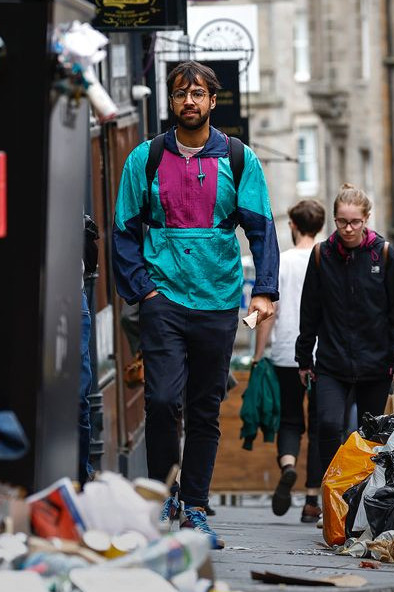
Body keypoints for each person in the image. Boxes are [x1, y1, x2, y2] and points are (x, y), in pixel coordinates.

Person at [112, 61, 279, 545]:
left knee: (205, 407)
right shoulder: (145, 159)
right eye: (182, 93)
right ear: (170, 101)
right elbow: (124, 230)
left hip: (219, 299)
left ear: (212, 101)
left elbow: (262, 228)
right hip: (162, 296)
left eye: (199, 94)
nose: (190, 101)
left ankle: (195, 508)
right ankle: (166, 495)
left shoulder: (238, 158)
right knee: (162, 400)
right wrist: (143, 289)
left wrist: (264, 288)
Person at [296, 184, 394, 489]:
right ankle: (332, 490)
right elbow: (310, 309)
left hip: (376, 363)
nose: (348, 229)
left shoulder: (385, 254)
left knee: (370, 433)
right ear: (334, 220)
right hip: (332, 362)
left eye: (355, 222)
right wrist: (303, 357)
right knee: (329, 425)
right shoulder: (322, 255)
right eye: (342, 222)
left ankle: (361, 494)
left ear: (366, 219)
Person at [254, 199, 325, 523]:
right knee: (321, 426)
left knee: (291, 420)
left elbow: (267, 313)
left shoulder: (280, 262)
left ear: (292, 226)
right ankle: (312, 498)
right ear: (321, 227)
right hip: (323, 354)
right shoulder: (327, 259)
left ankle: (288, 466)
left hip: (286, 353)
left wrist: (258, 355)